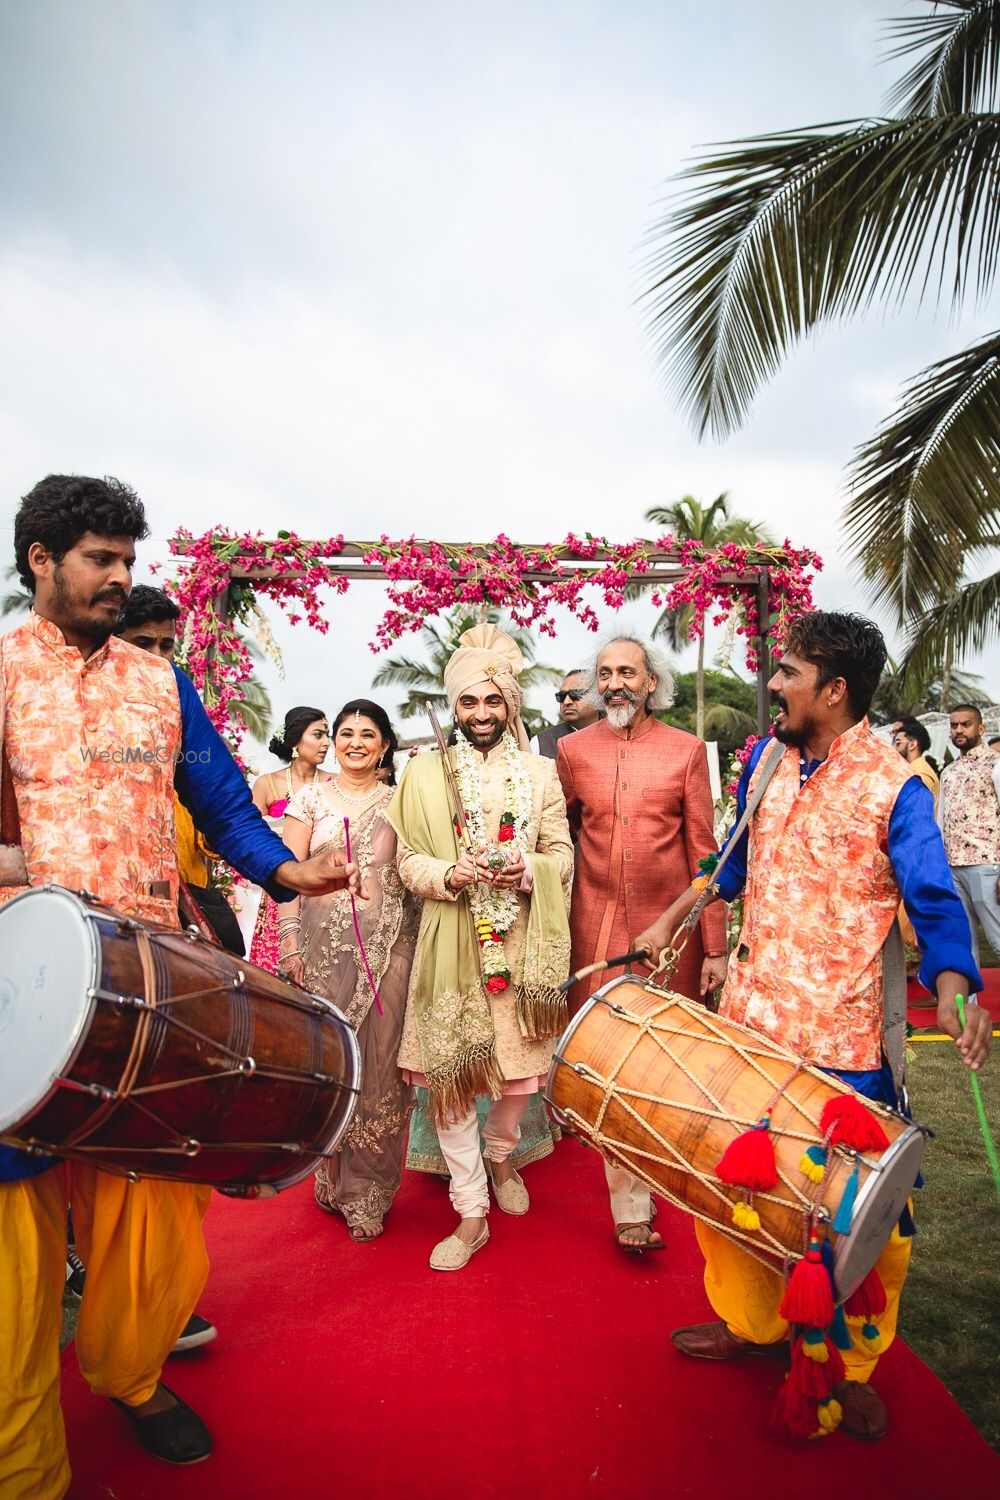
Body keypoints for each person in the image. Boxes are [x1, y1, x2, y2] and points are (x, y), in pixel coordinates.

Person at [0, 473, 359, 1494]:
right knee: (12, 1253)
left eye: (129, 560)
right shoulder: (0, 673)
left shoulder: (159, 682)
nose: (122, 579)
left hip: (148, 990)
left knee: (153, 1229)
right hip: (15, 997)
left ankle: (128, 1372)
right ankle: (22, 1467)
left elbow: (224, 799)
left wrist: (284, 870)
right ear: (41, 561)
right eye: (101, 561)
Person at [636, 611, 990, 1443]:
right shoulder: (763, 764)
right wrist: (672, 920)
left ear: (834, 690)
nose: (773, 684)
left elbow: (934, 900)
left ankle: (854, 1364)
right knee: (735, 1189)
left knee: (868, 1220)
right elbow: (732, 863)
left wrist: (957, 987)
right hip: (753, 1028)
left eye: (789, 673)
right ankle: (752, 1322)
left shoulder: (895, 784)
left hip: (847, 1045)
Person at [387, 624, 574, 1271]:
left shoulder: (540, 772)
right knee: (453, 1084)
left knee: (521, 1081)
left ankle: (501, 1154)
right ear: (455, 706)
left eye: (493, 701)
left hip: (521, 949)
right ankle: (471, 1212)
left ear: (511, 705)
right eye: (469, 702)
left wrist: (526, 871)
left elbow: (562, 856)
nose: (481, 714)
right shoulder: (423, 773)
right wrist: (449, 874)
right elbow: (407, 862)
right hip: (450, 944)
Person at [557, 634, 726, 1253]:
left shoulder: (685, 753)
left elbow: (706, 855)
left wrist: (713, 946)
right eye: (605, 674)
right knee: (612, 1066)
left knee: (667, 1063)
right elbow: (560, 838)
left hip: (668, 935)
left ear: (652, 681)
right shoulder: (573, 751)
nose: (615, 684)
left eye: (627, 672)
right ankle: (631, 1209)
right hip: (593, 929)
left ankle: (674, 1173)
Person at [279, 699, 417, 1241]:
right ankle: (333, 1170)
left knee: (382, 1064)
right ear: (332, 742)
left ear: (385, 745)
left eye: (367, 734)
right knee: (334, 1062)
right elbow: (284, 876)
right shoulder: (309, 798)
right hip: (321, 951)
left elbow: (408, 874)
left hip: (389, 950)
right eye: (345, 732)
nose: (355, 741)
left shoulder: (402, 803)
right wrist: (289, 943)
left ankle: (368, 1189)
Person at [116, 583, 244, 957]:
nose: (158, 657)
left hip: (181, 882)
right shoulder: (85, 701)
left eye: (166, 645)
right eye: (143, 644)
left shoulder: (178, 697)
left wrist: (283, 871)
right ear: (113, 639)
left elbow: (220, 806)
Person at [247, 706, 333, 970]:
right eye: (317, 735)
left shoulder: (334, 783)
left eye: (327, 735)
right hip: (282, 888)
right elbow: (250, 837)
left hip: (326, 889)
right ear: (296, 740)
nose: (326, 742)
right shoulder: (267, 784)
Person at [939, 703, 1000, 967]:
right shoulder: (949, 772)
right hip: (953, 867)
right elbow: (941, 821)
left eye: (966, 724)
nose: (959, 730)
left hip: (987, 864)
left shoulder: (995, 765)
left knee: (997, 937)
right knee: (964, 944)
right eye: (954, 726)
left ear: (981, 728)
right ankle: (969, 1008)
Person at [531, 669, 602, 758]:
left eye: (575, 694)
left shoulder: (619, 735)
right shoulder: (541, 743)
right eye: (561, 696)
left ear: (597, 698)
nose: (566, 701)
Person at [892, 717, 940, 803]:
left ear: (912, 745)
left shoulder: (921, 774)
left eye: (898, 743)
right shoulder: (913, 770)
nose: (894, 748)